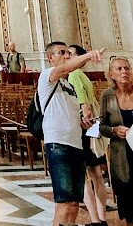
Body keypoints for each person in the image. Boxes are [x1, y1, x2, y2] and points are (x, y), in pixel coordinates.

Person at [39, 41, 104, 226]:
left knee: (74, 204)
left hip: (75, 145)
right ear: (50, 57)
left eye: (68, 53)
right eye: (62, 52)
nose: (67, 56)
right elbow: (65, 68)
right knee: (64, 204)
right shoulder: (47, 77)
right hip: (58, 145)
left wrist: (84, 122)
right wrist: (90, 55)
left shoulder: (70, 87)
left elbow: (72, 116)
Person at [67, 43, 108, 226]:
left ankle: (94, 220)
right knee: (97, 174)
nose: (67, 56)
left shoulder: (74, 75)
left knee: (83, 177)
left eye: (70, 53)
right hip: (94, 128)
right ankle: (102, 218)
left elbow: (85, 105)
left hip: (84, 127)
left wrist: (83, 117)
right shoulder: (83, 75)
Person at [100, 56, 133, 225]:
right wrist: (114, 130)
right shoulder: (107, 95)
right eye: (119, 69)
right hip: (121, 154)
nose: (124, 72)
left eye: (127, 68)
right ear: (111, 74)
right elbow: (102, 126)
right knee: (128, 200)